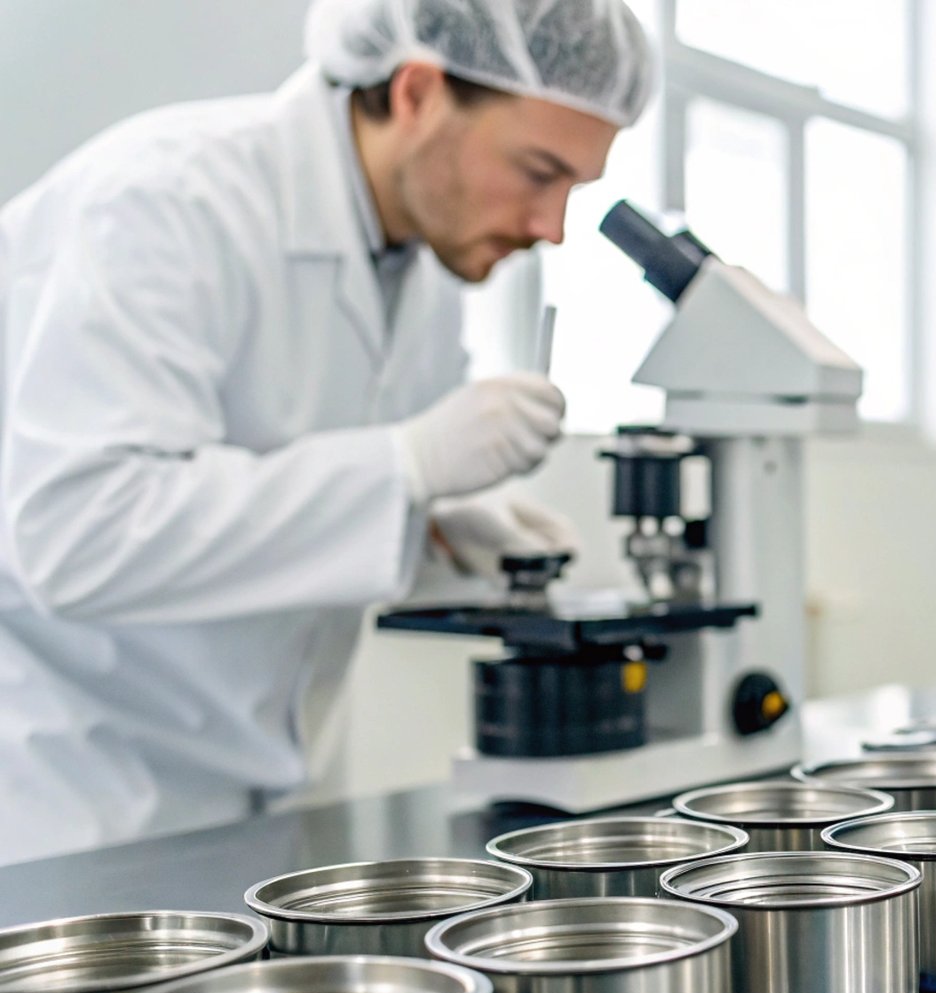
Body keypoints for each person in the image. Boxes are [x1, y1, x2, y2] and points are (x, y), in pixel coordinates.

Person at [0, 0, 654, 864]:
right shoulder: (167, 202)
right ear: (418, 91)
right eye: (539, 172)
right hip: (62, 789)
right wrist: (404, 466)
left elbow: (295, 505)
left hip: (249, 791)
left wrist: (432, 526)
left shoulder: (418, 274)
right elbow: (75, 533)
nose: (552, 227)